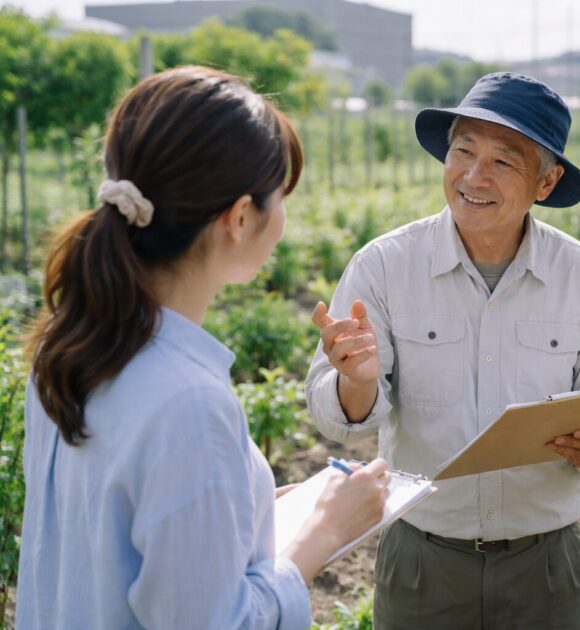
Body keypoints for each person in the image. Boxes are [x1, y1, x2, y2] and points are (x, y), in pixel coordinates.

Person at [16, 66, 390, 629]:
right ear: (239, 218)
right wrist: (323, 534)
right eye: (280, 197)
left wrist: (248, 509)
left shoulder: (68, 342)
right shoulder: (186, 401)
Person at [305, 72, 580, 629]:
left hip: (548, 567)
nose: (472, 176)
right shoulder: (385, 266)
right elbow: (333, 417)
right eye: (462, 151)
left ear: (546, 180)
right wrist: (357, 384)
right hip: (423, 561)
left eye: (503, 162)